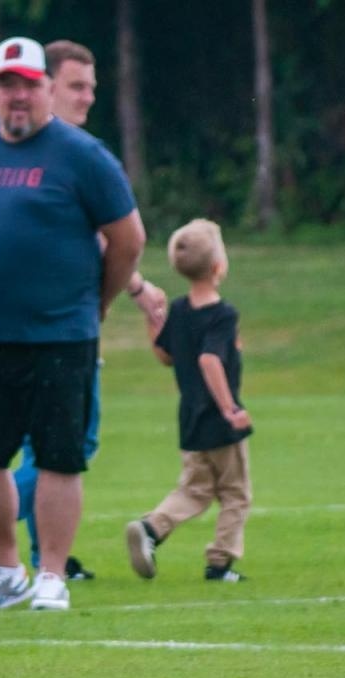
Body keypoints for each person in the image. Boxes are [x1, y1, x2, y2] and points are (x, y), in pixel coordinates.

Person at [0, 37, 146, 612]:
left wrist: (95, 303)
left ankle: (51, 574)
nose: (19, 94)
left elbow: (129, 239)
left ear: (47, 87)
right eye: (8, 84)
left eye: (30, 83)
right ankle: (5, 570)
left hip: (61, 334)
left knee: (58, 457)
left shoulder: (82, 155)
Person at [126, 219, 252, 583]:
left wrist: (154, 321)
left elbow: (166, 355)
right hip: (220, 421)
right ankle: (220, 563)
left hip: (191, 419)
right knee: (236, 494)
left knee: (194, 490)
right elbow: (209, 360)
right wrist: (231, 409)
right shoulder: (223, 315)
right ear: (218, 267)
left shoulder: (179, 311)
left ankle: (150, 529)